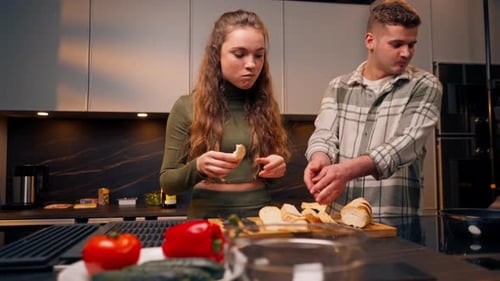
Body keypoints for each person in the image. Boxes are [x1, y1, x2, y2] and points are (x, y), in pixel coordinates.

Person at [303, 0, 442, 216]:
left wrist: (346, 171)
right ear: (371, 41)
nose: (406, 53)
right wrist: (319, 158)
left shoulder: (425, 85)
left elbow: (404, 144)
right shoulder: (339, 86)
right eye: (396, 44)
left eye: (411, 44)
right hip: (339, 219)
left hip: (395, 224)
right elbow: (324, 134)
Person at [159, 9, 290, 219]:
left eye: (259, 55)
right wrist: (198, 166)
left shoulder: (267, 105)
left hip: (261, 215)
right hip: (207, 217)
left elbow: (272, 175)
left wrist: (278, 167)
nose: (251, 64)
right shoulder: (186, 106)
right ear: (216, 54)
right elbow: (168, 181)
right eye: (239, 54)